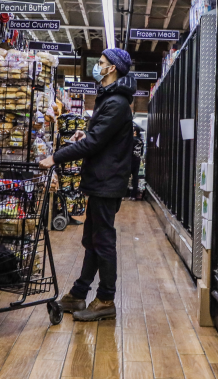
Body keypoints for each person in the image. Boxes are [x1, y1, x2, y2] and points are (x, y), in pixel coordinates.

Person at [39, 48, 136, 321]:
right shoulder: (111, 99)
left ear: (113, 68)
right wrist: (87, 132)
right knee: (92, 238)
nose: (98, 66)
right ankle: (79, 294)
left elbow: (95, 144)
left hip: (107, 181)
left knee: (103, 241)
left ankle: (106, 299)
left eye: (102, 63)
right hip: (101, 180)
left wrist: (55, 157)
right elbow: (99, 136)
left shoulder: (116, 103)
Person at [130, 127, 144, 200]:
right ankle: (133, 195)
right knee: (135, 177)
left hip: (131, 160)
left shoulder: (132, 140)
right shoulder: (141, 141)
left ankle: (122, 195)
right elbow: (141, 152)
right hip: (137, 160)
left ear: (135, 132)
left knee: (126, 177)